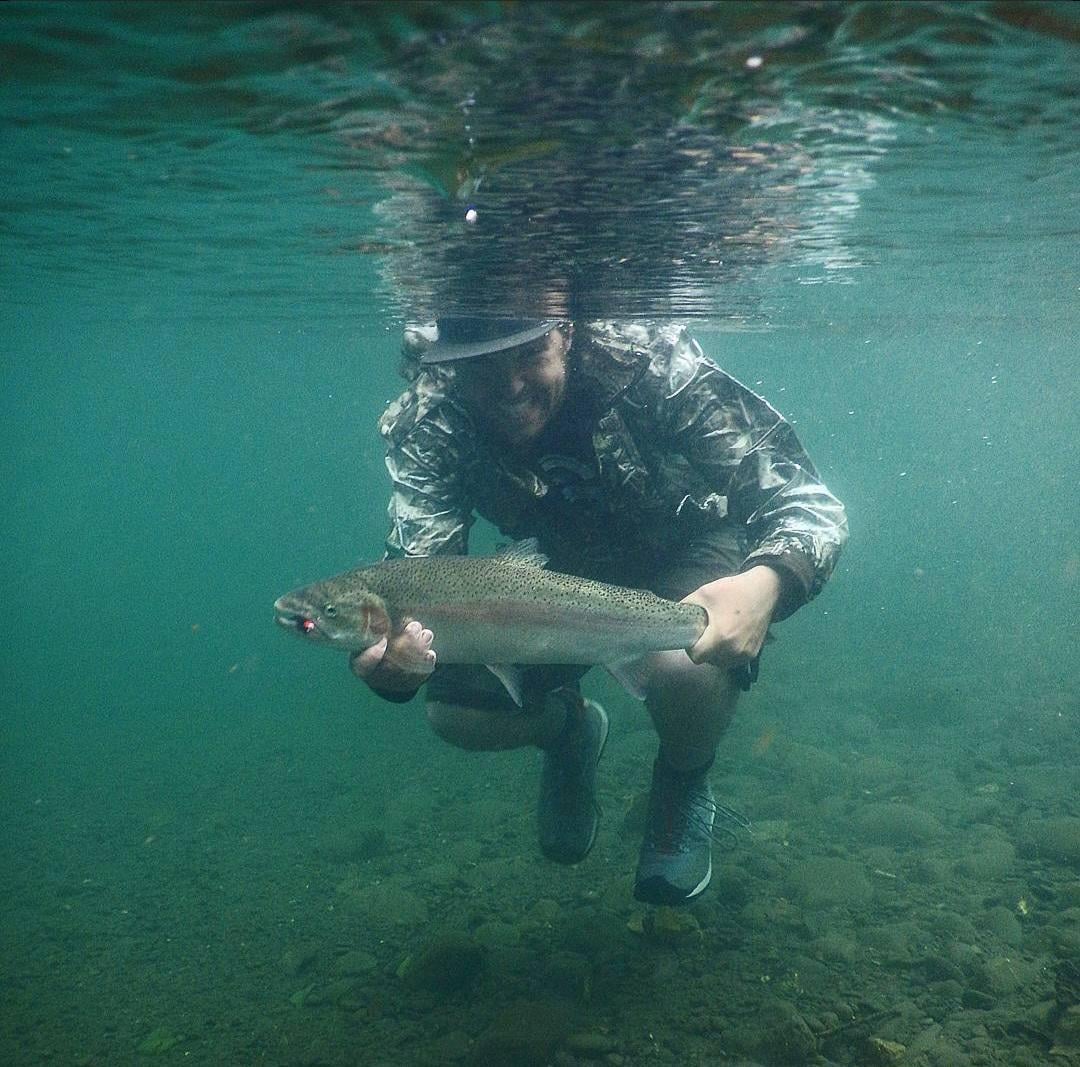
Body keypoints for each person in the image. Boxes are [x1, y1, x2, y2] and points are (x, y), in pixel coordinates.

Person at [352, 317, 848, 906]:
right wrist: (396, 659)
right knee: (456, 714)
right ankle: (569, 732)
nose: (510, 385)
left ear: (565, 332)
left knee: (686, 668)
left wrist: (768, 584)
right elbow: (420, 571)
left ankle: (683, 781)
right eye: (482, 365)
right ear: (453, 362)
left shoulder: (647, 361)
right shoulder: (430, 415)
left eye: (528, 353)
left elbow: (803, 498)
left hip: (687, 541)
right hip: (549, 570)